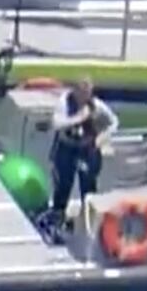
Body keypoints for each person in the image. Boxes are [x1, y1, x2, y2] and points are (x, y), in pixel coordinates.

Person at [45, 76, 117, 229]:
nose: (84, 97)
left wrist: (102, 138)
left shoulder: (95, 105)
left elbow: (114, 122)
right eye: (81, 93)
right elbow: (56, 123)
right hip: (67, 147)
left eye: (87, 93)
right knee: (63, 184)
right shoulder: (64, 102)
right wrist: (78, 118)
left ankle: (88, 221)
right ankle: (57, 218)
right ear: (75, 91)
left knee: (88, 186)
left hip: (87, 149)